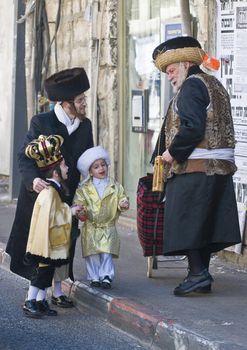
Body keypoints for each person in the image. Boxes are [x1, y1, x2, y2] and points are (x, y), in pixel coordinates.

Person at [151, 36, 241, 296]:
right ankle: (199, 275)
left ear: (186, 64)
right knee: (205, 223)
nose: (169, 77)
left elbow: (192, 128)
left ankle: (198, 272)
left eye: (170, 70)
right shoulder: (214, 84)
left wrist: (171, 153)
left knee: (187, 220)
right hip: (219, 168)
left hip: (196, 167)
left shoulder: (191, 86)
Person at [6, 67, 94, 307]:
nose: (85, 102)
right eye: (80, 100)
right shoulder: (41, 121)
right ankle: (34, 298)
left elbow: (88, 161)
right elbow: (24, 157)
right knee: (43, 248)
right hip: (41, 197)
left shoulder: (85, 126)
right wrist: (33, 180)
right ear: (66, 104)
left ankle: (58, 291)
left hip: (69, 197)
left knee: (64, 246)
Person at [23, 134, 82, 318]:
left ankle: (41, 302)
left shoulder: (54, 191)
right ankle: (29, 301)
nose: (67, 168)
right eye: (64, 165)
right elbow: (52, 217)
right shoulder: (50, 193)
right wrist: (69, 212)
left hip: (50, 243)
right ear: (56, 172)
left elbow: (55, 212)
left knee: (47, 274)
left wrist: (68, 208)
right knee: (41, 275)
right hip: (45, 245)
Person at [73, 146, 129, 289]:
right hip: (91, 226)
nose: (101, 169)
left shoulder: (114, 186)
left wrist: (123, 203)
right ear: (90, 171)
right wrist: (81, 211)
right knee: (92, 254)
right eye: (96, 167)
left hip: (108, 225)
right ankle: (94, 276)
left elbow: (121, 196)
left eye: (103, 165)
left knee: (106, 252)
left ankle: (106, 276)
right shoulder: (83, 188)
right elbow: (80, 202)